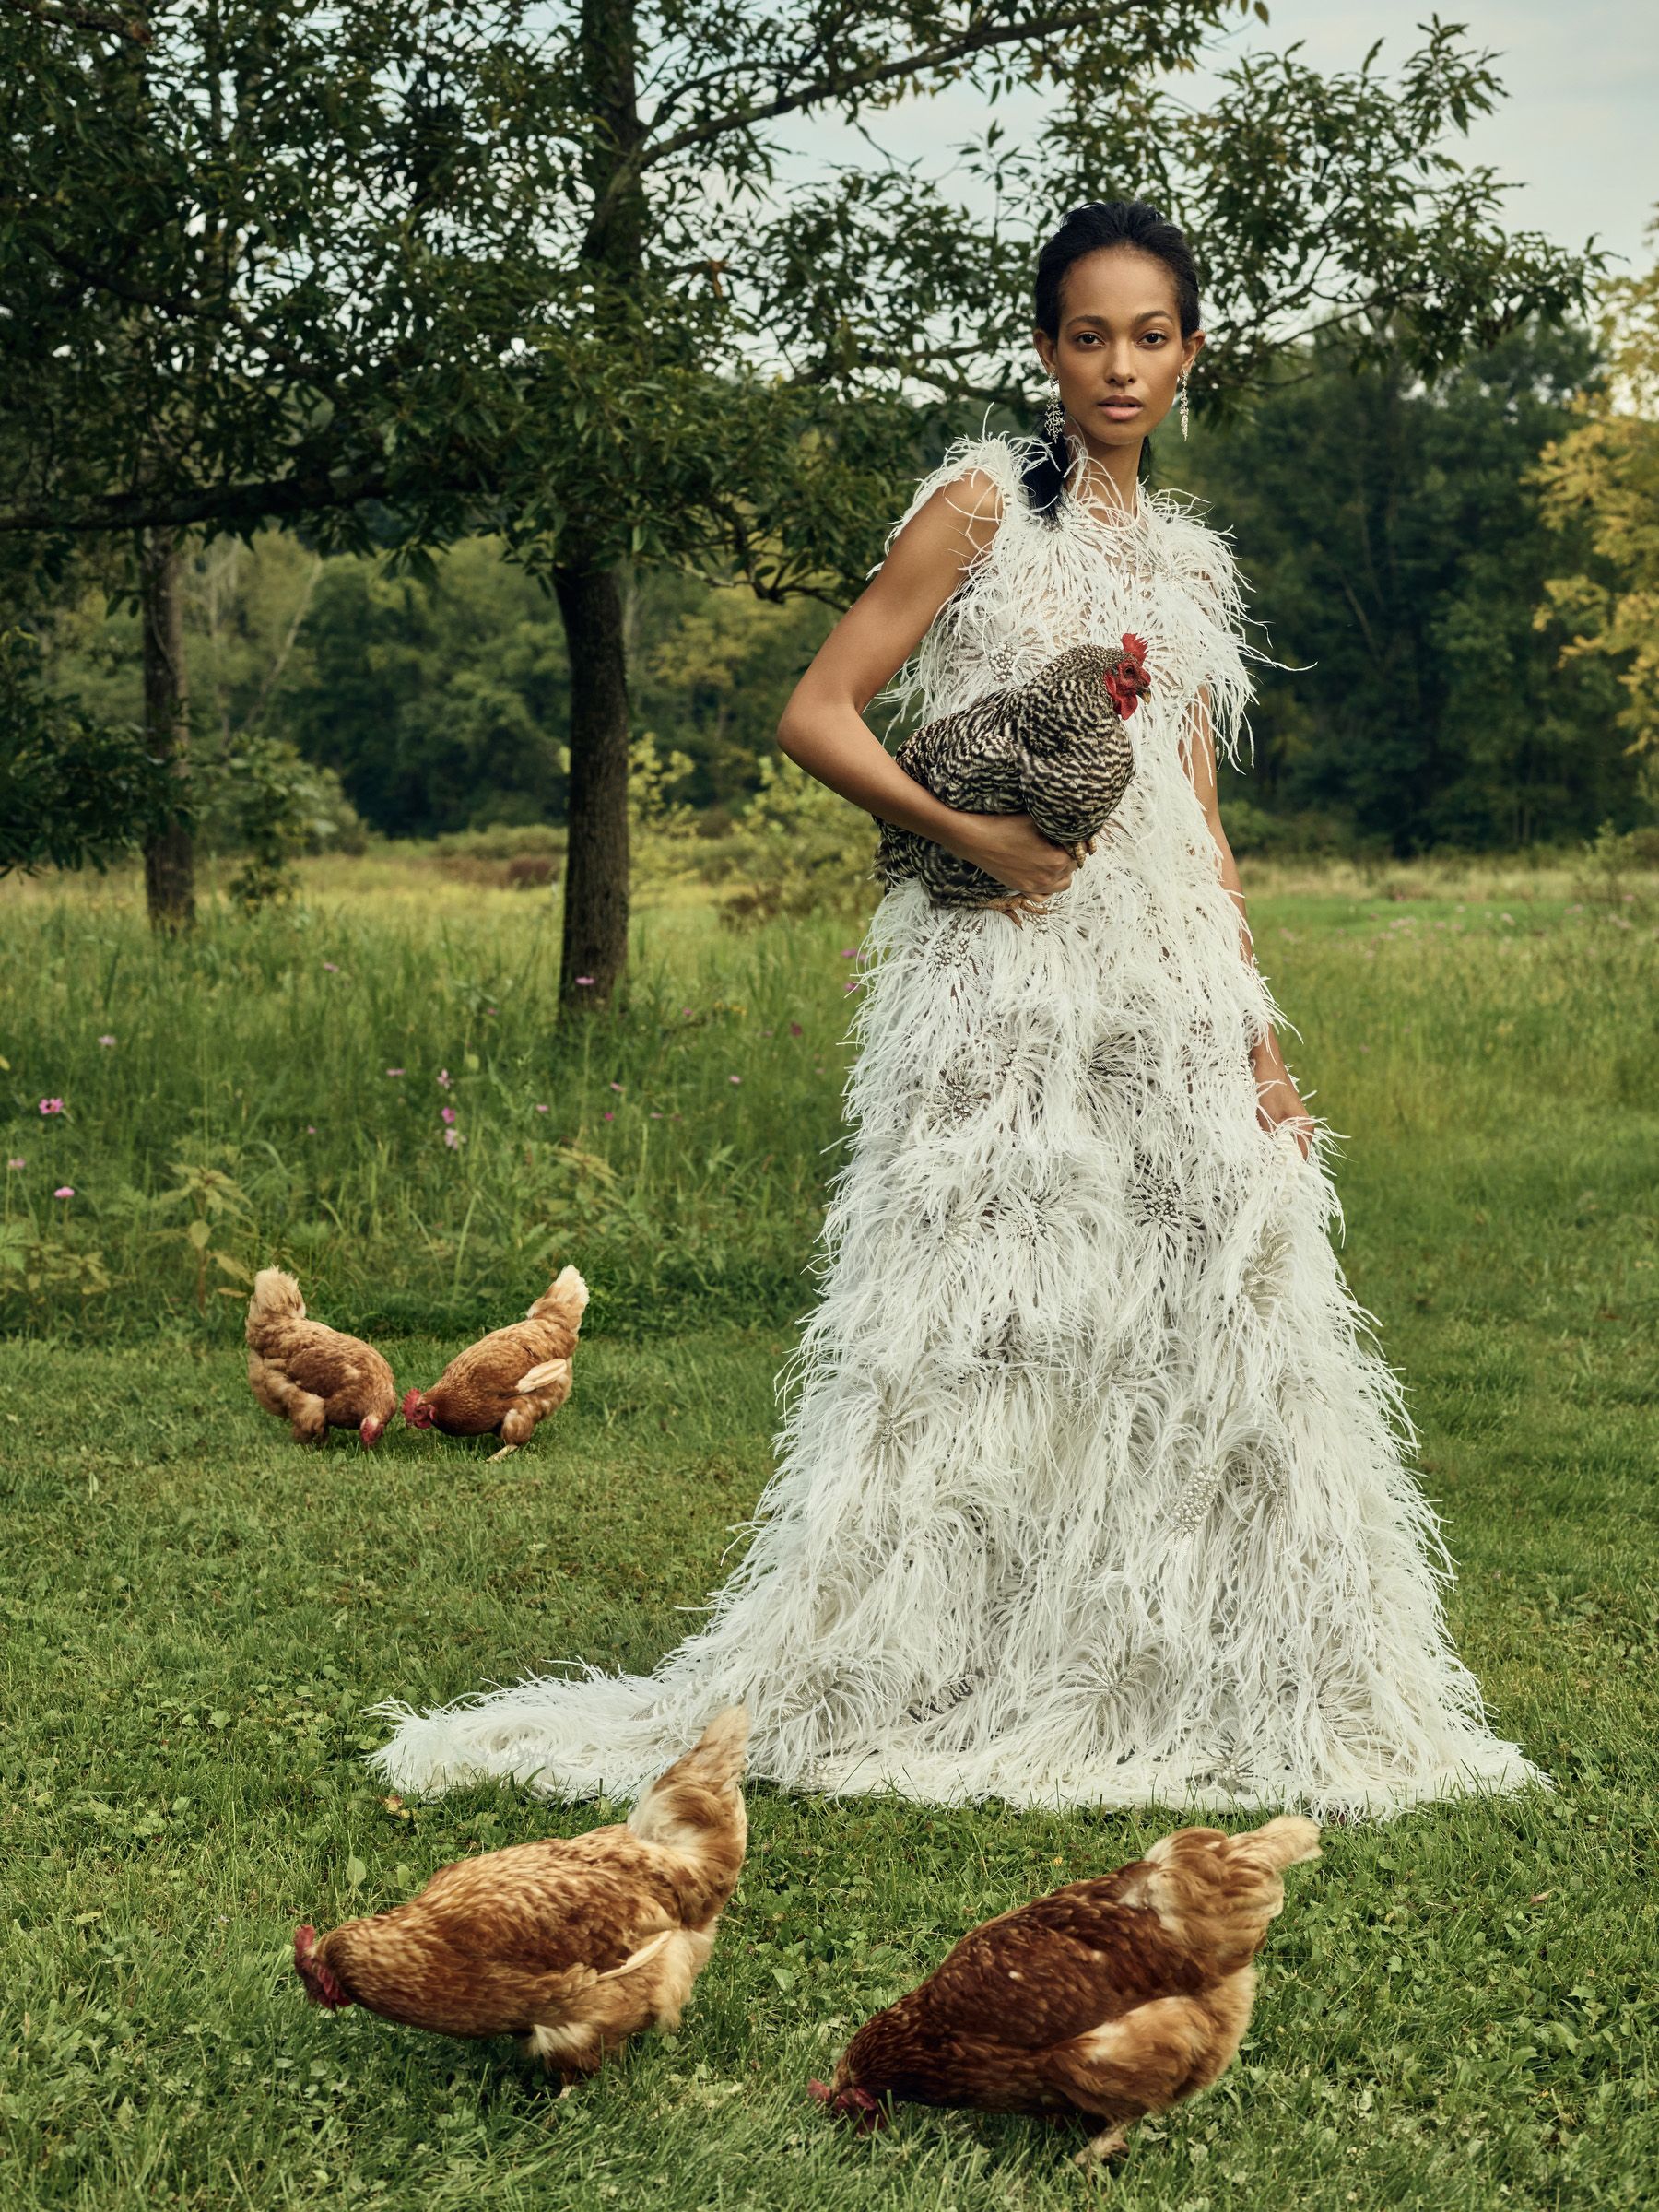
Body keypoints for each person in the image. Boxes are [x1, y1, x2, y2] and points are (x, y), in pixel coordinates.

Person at [376, 200, 1544, 1820]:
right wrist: (972, 834)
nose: (1119, 365)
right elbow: (819, 709)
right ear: (1048, 347)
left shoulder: (1190, 567)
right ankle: (931, 1649)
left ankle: (1167, 1649)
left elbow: (1200, 826)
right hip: (996, 980)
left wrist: (1261, 1042)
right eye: (1088, 334)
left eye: (1150, 336)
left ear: (1191, 352)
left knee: (1203, 1306)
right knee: (989, 1325)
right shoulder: (983, 508)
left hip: (1164, 986)